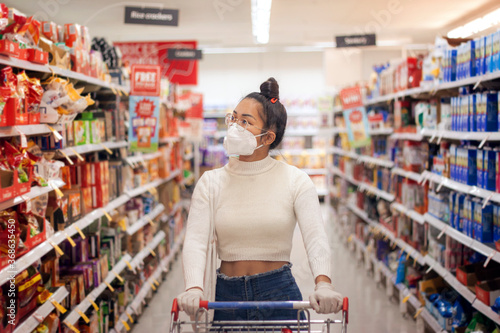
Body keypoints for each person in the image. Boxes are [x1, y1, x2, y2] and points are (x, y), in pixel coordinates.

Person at [177, 77, 343, 321]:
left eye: (245, 122)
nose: (235, 126)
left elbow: (316, 237)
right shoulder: (210, 183)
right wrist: (193, 287)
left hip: (278, 292)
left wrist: (323, 283)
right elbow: (195, 242)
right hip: (227, 296)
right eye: (234, 118)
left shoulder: (295, 180)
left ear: (267, 138)